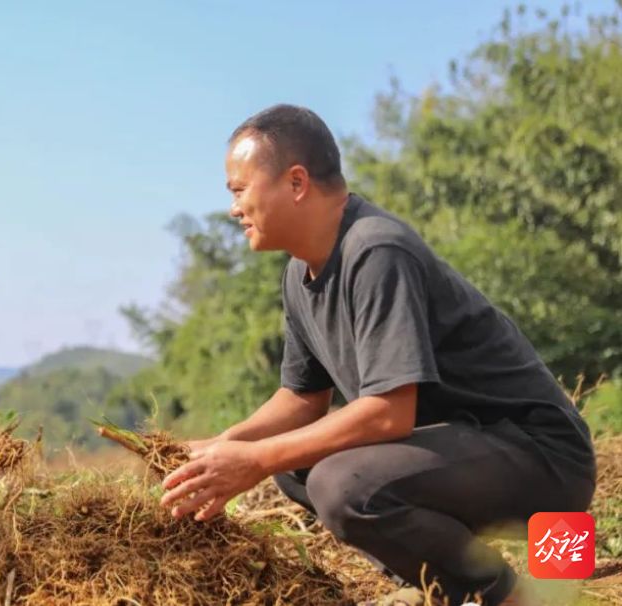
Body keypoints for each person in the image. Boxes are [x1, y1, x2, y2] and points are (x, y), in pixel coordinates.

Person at [159, 105, 597, 606]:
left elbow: (390, 414)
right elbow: (302, 399)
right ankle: (432, 586)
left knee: (342, 485)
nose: (234, 208)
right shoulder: (300, 274)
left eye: (239, 190)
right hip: (468, 456)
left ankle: (509, 595)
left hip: (547, 465)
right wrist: (219, 448)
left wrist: (254, 459)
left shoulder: (376, 249)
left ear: (296, 182)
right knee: (294, 464)